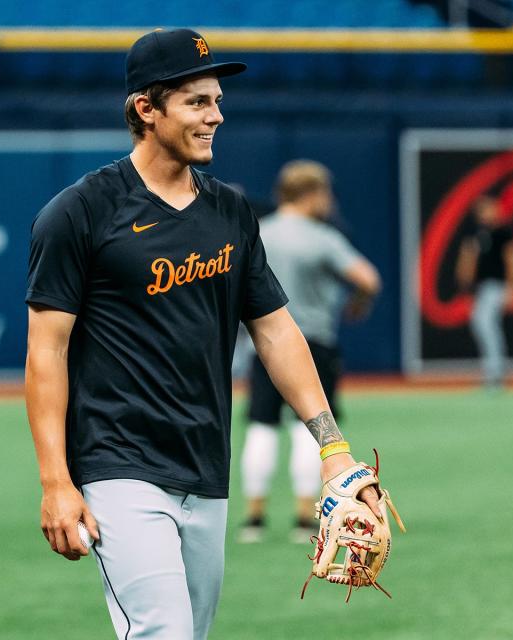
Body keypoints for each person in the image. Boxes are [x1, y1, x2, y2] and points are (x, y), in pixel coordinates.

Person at [24, 29, 384, 639]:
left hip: (205, 465)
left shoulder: (232, 211)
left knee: (190, 632)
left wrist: (333, 447)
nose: (216, 115)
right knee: (162, 631)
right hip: (118, 464)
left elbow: (275, 331)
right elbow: (46, 352)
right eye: (197, 102)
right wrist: (56, 481)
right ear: (146, 108)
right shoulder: (80, 212)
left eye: (216, 100)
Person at [237, 160, 381, 545]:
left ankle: (254, 517)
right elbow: (368, 278)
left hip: (262, 346)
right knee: (313, 430)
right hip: (313, 344)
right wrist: (359, 305)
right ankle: (305, 518)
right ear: (312, 194)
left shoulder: (257, 233)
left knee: (261, 428)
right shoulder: (321, 237)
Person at [455, 196, 513, 388]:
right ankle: (494, 370)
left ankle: (495, 371)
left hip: (498, 285)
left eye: (488, 209)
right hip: (483, 287)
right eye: (481, 211)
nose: (485, 214)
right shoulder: (478, 233)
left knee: (483, 322)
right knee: (484, 324)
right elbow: (468, 259)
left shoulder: (504, 232)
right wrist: (465, 282)